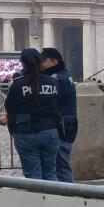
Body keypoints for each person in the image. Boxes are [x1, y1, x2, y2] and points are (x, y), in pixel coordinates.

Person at [0, 48, 61, 180]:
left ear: (22, 63)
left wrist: (12, 128)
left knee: (33, 175)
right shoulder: (53, 83)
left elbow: (10, 108)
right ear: (40, 62)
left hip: (26, 132)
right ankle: (52, 194)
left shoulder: (18, 84)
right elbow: (58, 106)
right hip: (50, 131)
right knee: (50, 173)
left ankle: (36, 194)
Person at [41, 48, 77, 182]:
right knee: (61, 165)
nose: (41, 64)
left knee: (61, 167)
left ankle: (67, 192)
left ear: (53, 61)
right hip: (67, 123)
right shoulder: (64, 74)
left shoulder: (56, 78)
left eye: (44, 61)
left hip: (61, 125)